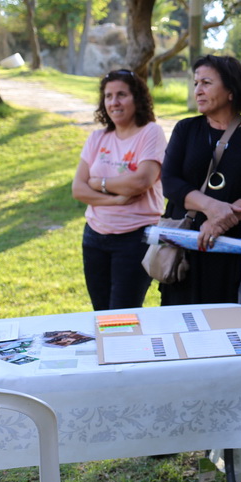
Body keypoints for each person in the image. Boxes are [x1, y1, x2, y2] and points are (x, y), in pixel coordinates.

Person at [160, 55, 241, 305]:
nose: (198, 90)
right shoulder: (185, 129)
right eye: (196, 83)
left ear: (231, 90)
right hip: (191, 243)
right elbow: (170, 182)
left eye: (206, 83)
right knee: (187, 316)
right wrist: (212, 208)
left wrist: (221, 221)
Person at [72, 69, 166, 310]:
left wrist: (99, 184)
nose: (114, 102)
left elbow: (141, 181)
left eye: (121, 95)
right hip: (94, 237)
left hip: (136, 238)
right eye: (108, 96)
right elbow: (78, 189)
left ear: (137, 98)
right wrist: (115, 199)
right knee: (101, 313)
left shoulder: (151, 133)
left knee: (123, 315)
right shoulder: (97, 138)